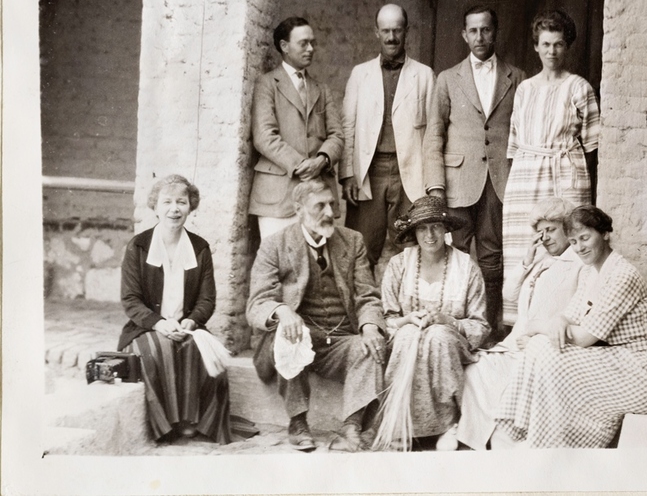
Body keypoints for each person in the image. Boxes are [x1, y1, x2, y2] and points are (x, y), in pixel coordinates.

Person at [494, 206, 647, 448]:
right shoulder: (591, 272)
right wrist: (557, 321)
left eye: (586, 238)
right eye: (574, 241)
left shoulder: (622, 275)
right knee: (540, 346)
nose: (580, 247)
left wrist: (538, 325)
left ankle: (553, 443)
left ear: (605, 234)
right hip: (621, 359)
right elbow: (569, 315)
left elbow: (585, 338)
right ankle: (519, 429)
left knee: (551, 353)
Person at [246, 178, 387, 452]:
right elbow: (257, 302)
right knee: (290, 334)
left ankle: (352, 426)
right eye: (319, 206)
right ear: (298, 209)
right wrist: (282, 311)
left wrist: (370, 326)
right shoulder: (275, 245)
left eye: (332, 205)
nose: (329, 213)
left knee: (369, 346)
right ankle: (298, 423)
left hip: (339, 341)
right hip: (298, 336)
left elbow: (367, 295)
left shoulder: (352, 241)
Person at [118, 174, 256, 445]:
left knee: (201, 352)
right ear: (155, 207)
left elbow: (207, 300)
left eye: (181, 202)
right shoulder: (138, 246)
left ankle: (192, 421)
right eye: (167, 202)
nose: (174, 209)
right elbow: (130, 299)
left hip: (187, 327)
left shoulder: (200, 248)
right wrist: (158, 323)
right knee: (156, 350)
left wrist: (191, 322)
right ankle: (165, 424)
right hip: (146, 327)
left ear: (190, 207)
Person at [423, 5, 526, 339]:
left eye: (486, 29)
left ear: (495, 31)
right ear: (463, 35)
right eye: (473, 31)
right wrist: (436, 187)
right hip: (457, 183)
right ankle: (457, 327)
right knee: (458, 254)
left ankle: (491, 329)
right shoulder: (448, 79)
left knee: (493, 256)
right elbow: (434, 135)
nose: (480, 37)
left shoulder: (517, 77)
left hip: (499, 181)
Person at [456, 198, 581, 450]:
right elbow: (509, 295)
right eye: (540, 231)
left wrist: (539, 338)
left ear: (568, 229)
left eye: (551, 230)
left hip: (543, 350)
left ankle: (501, 443)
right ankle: (479, 440)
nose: (544, 237)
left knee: (497, 380)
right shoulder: (540, 261)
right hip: (515, 345)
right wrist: (526, 261)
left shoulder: (579, 265)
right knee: (473, 372)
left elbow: (575, 316)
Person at [377, 196, 490, 451]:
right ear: (414, 233)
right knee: (408, 336)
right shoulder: (399, 265)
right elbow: (386, 318)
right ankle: (401, 425)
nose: (430, 234)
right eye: (422, 228)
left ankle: (448, 424)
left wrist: (448, 321)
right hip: (407, 339)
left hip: (449, 344)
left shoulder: (466, 267)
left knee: (438, 335)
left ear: (446, 229)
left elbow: (480, 325)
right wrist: (406, 320)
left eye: (436, 226)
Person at [501, 9, 600, 296]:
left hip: (565, 173)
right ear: (536, 46)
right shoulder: (525, 89)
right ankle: (521, 318)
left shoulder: (578, 87)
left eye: (558, 44)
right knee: (526, 242)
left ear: (566, 46)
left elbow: (592, 145)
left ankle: (565, 310)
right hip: (526, 174)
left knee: (567, 241)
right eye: (545, 44)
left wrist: (575, 180)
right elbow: (514, 142)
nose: (552, 51)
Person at [340, 4, 436, 269]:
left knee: (408, 248)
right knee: (360, 248)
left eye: (397, 30)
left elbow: (432, 133)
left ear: (407, 31)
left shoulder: (425, 75)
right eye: (386, 31)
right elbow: (348, 126)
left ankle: (404, 309)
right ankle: (360, 309)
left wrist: (430, 181)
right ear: (376, 32)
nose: (391, 37)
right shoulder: (360, 74)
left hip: (410, 173)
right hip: (369, 172)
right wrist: (348, 173)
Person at [249, 16, 344, 238]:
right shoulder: (267, 84)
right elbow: (264, 136)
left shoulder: (322, 89)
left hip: (317, 194)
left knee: (315, 261)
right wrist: (302, 165)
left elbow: (337, 135)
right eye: (303, 43)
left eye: (312, 43)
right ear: (284, 46)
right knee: (278, 259)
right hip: (277, 196)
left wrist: (321, 160)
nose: (311, 49)